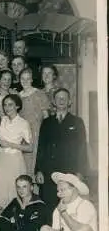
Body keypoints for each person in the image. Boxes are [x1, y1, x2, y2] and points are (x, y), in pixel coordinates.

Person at [36, 88, 88, 216]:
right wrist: (38, 170)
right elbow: (41, 147)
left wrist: (80, 172)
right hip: (49, 172)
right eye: (58, 98)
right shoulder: (47, 122)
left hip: (69, 171)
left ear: (69, 101)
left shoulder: (77, 122)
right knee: (49, 207)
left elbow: (82, 148)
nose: (61, 100)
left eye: (64, 98)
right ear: (54, 101)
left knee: (69, 206)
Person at [0, 94, 33, 208]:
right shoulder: (1, 120)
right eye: (5, 105)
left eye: (10, 105)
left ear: (17, 106)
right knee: (0, 190)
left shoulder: (23, 123)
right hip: (1, 159)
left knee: (14, 190)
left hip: (15, 159)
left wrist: (10, 144)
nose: (7, 108)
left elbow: (30, 148)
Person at [18, 68, 50, 177]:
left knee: (37, 163)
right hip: (24, 136)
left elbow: (46, 116)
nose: (25, 81)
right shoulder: (18, 96)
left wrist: (46, 134)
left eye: (28, 79)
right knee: (24, 166)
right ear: (19, 80)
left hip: (38, 133)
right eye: (23, 78)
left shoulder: (39, 94)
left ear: (32, 80)